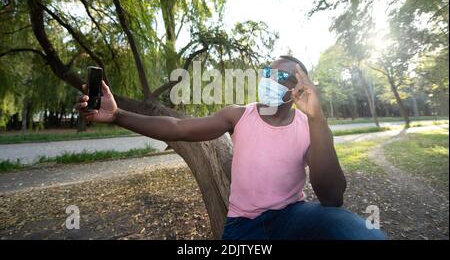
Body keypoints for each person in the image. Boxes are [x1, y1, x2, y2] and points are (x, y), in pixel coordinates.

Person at [74, 55, 386, 240]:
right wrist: (117, 115)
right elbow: (178, 128)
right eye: (266, 73)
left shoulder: (309, 127)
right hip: (242, 227)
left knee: (361, 232)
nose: (269, 80)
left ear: (297, 89)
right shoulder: (239, 114)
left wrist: (318, 120)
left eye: (280, 77)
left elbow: (332, 196)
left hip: (294, 216)